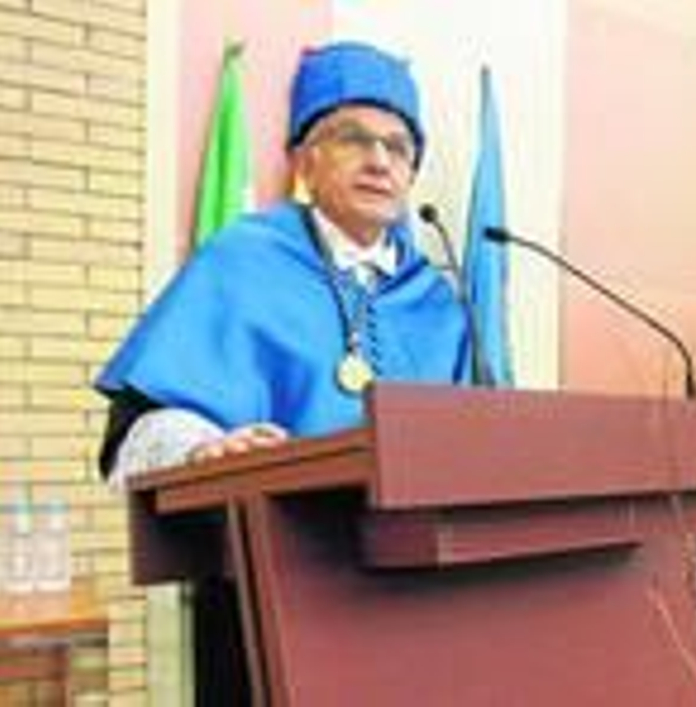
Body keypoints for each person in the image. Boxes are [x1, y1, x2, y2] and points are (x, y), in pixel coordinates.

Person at [93, 42, 470, 706]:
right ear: (304, 158)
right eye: (353, 137)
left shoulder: (440, 299)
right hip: (266, 588)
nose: (380, 159)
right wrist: (207, 449)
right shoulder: (241, 259)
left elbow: (474, 437)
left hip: (415, 596)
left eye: (399, 145)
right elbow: (142, 419)